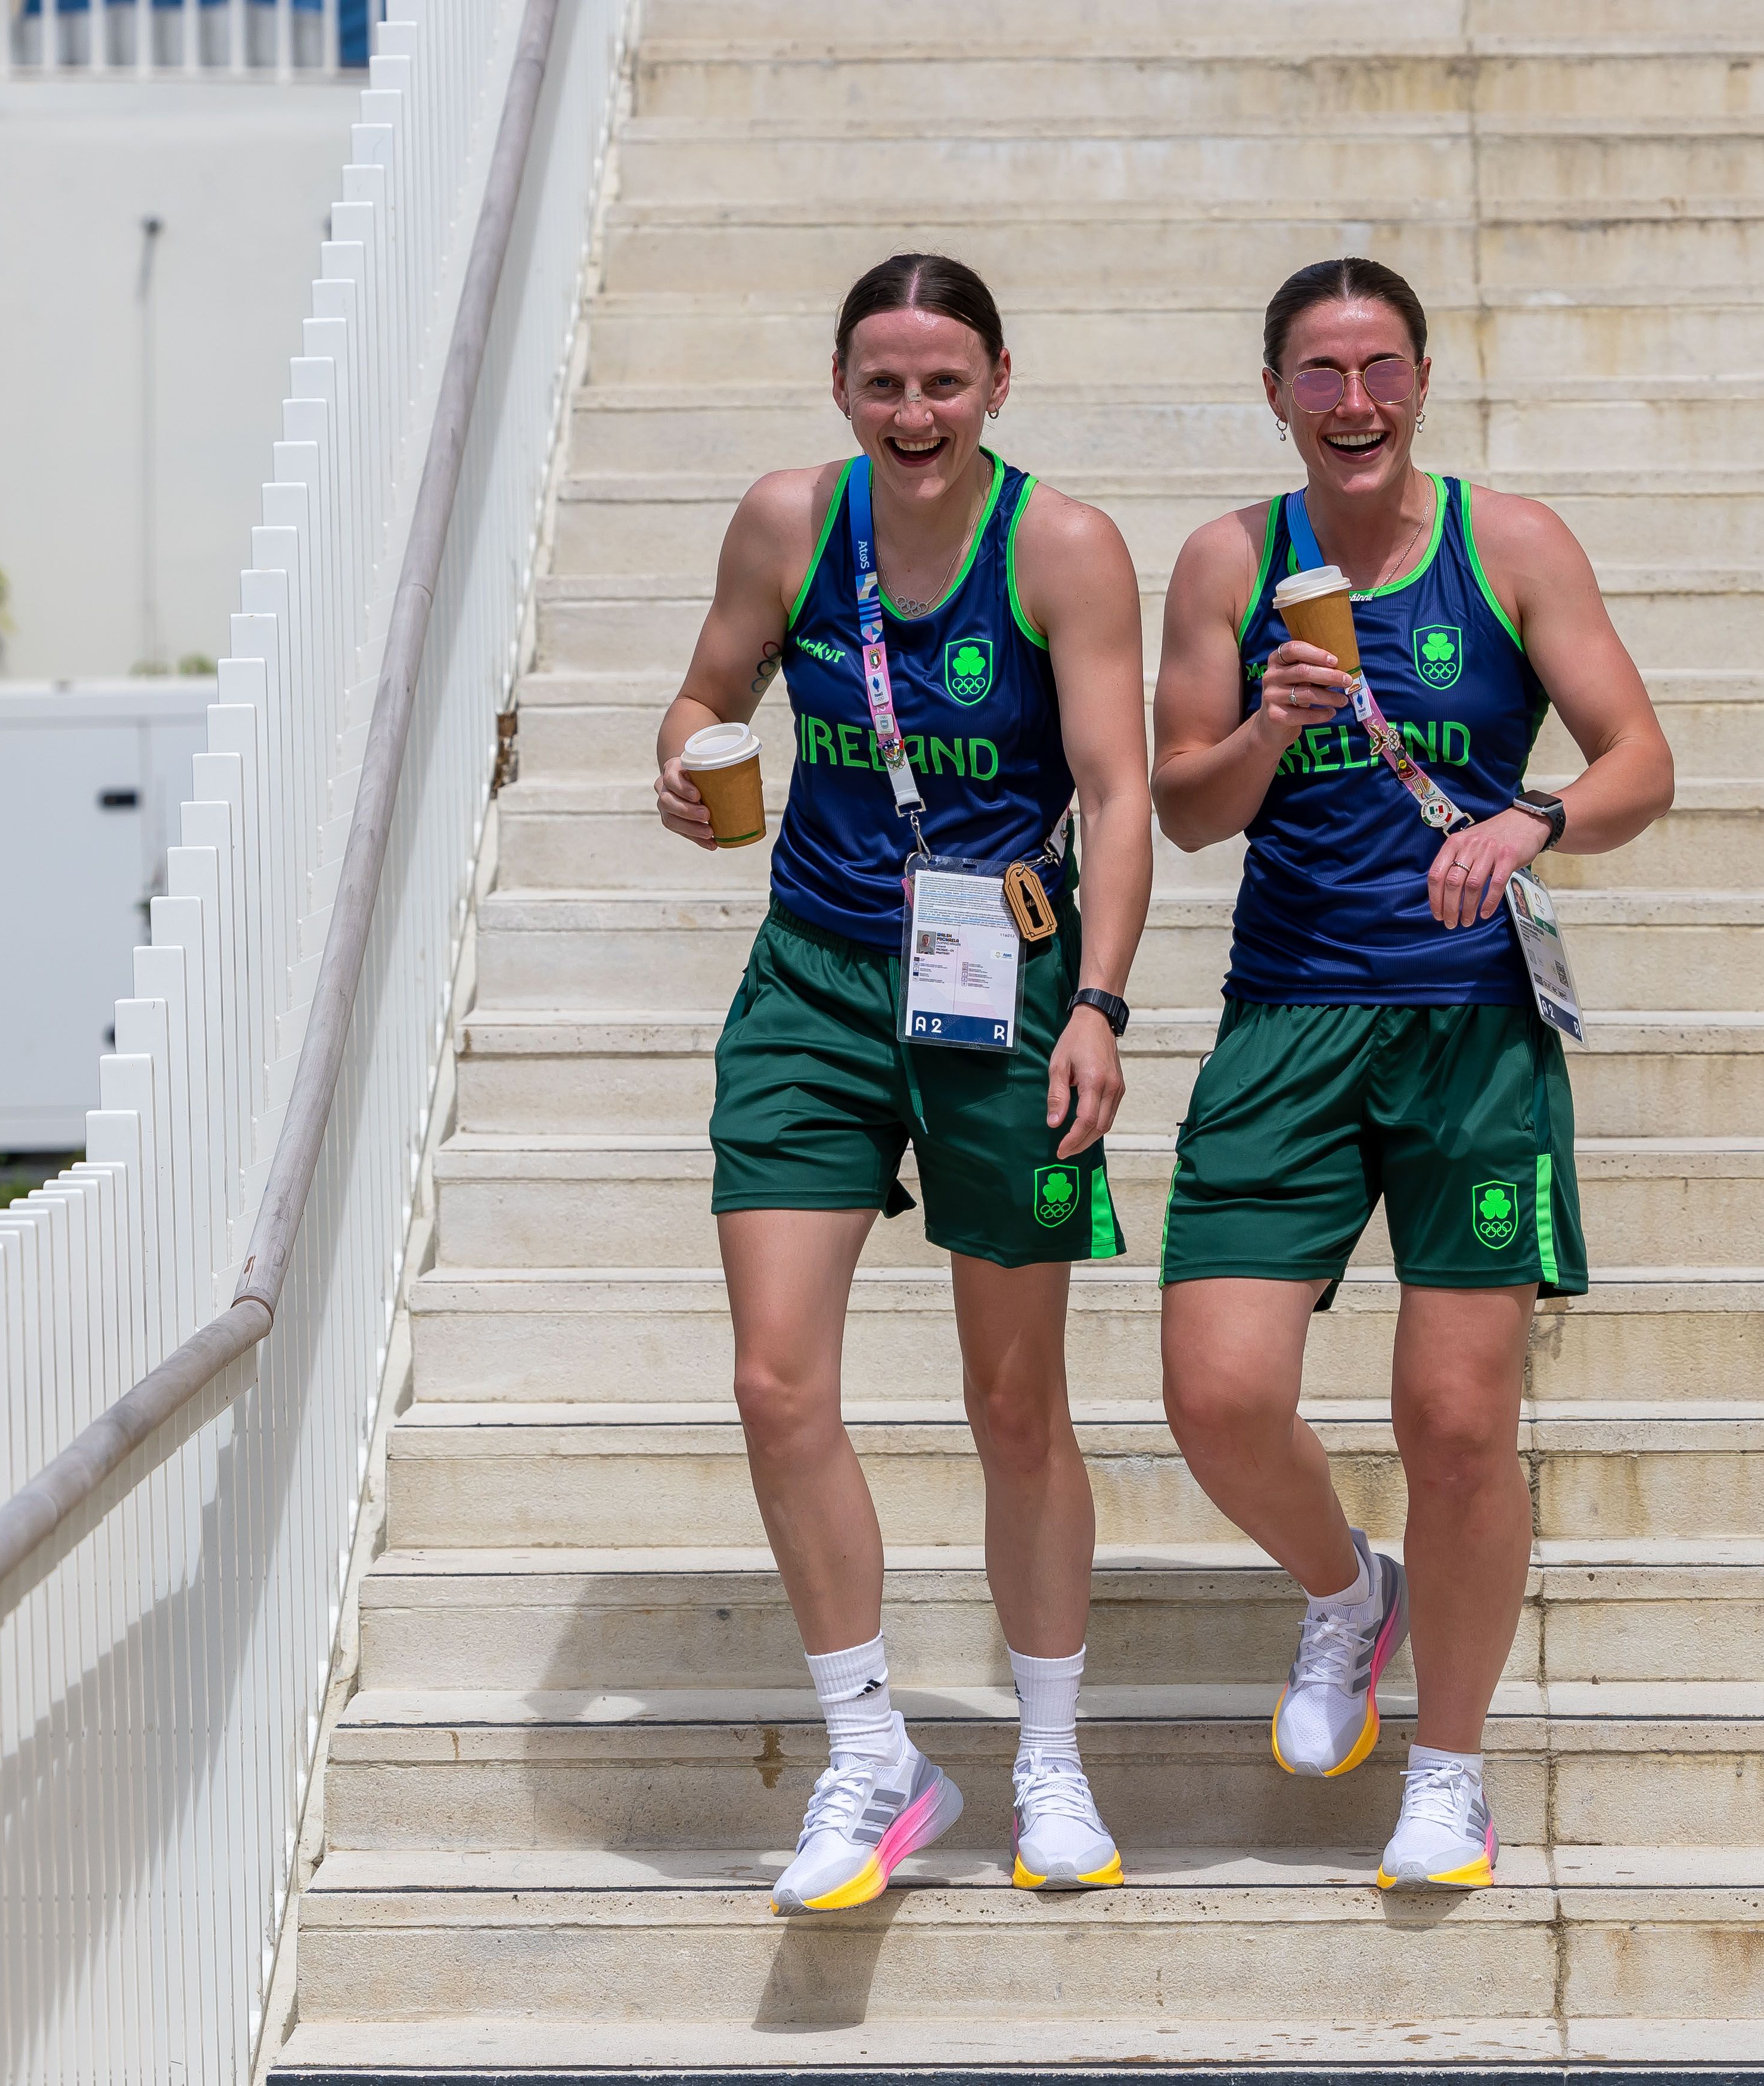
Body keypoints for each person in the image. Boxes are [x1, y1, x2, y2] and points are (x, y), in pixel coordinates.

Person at [1149, 256, 1673, 1890]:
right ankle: (1342, 1590)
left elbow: (1640, 760)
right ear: (1275, 393)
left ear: (1423, 381)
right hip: (1286, 1015)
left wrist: (1536, 819)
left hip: (1469, 1027)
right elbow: (1180, 803)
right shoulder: (1229, 560)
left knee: (1456, 1423)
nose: (1354, 399)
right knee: (1217, 1394)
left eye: (1380, 367)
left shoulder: (1507, 544)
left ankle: (1446, 1766)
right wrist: (1266, 727)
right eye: (1320, 370)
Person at [651, 253, 1151, 1914]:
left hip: (1002, 986)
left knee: (1015, 1400)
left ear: (999, 381)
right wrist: (684, 748)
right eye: (884, 383)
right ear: (842, 390)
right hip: (812, 974)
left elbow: (1116, 791)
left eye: (945, 382)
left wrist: (1099, 1003)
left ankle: (1050, 1756)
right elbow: (711, 685)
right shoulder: (791, 524)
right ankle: (872, 1753)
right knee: (772, 1382)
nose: (915, 413)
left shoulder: (1063, 546)